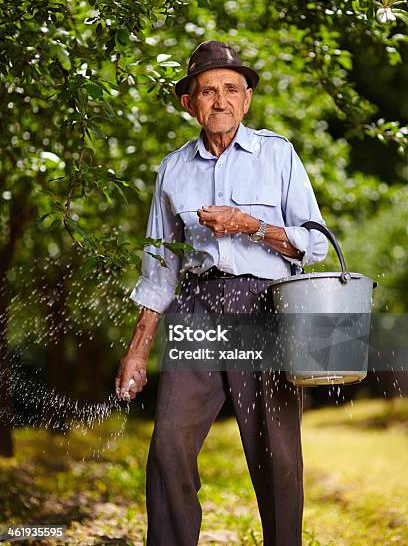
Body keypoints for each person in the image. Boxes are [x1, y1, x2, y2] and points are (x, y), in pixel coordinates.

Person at [115, 40, 328, 546]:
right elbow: (159, 270)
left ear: (247, 98)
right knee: (168, 443)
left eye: (231, 89)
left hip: (263, 308)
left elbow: (315, 243)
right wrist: (137, 352)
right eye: (207, 91)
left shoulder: (278, 154)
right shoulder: (173, 169)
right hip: (197, 308)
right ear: (189, 103)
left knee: (276, 455)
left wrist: (251, 226)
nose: (220, 101)